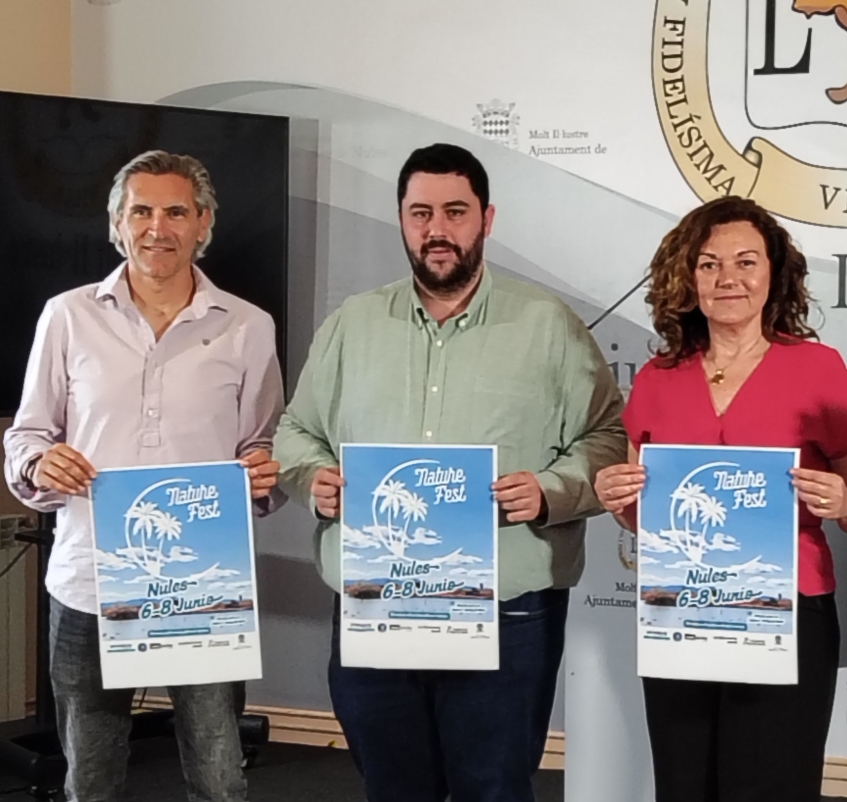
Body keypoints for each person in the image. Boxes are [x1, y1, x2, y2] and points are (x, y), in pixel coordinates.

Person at [273, 142, 626, 802]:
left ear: (486, 219)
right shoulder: (352, 324)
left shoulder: (548, 325)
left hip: (506, 612)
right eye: (421, 213)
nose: (437, 230)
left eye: (455, 212)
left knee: (494, 788)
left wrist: (549, 493)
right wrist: (311, 477)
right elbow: (295, 432)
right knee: (393, 786)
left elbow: (608, 436)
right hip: (377, 604)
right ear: (402, 221)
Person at [2, 150, 285, 802]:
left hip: (203, 584)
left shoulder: (248, 326)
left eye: (176, 212)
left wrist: (265, 473)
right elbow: (27, 434)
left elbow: (261, 446)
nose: (158, 227)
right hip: (89, 582)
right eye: (141, 211)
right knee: (91, 778)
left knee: (220, 777)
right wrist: (39, 461)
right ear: (117, 223)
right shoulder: (67, 315)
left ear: (203, 223)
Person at [593, 196, 847, 802]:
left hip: (787, 614)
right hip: (680, 612)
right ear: (688, 278)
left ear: (774, 274)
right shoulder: (657, 378)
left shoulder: (818, 368)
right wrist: (615, 496)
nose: (728, 278)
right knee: (684, 785)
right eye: (709, 264)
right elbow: (641, 512)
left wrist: (845, 502)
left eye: (746, 262)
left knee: (771, 785)